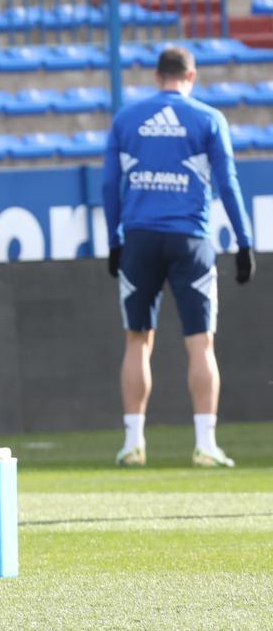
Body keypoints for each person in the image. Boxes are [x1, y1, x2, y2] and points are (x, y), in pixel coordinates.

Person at [103, 46, 255, 468]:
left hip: (139, 239)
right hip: (191, 239)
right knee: (201, 342)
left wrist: (114, 240)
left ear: (157, 76)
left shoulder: (126, 118)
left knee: (137, 339)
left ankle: (133, 443)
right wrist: (244, 242)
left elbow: (108, 184)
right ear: (192, 77)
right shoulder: (208, 118)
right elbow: (228, 183)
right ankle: (205, 445)